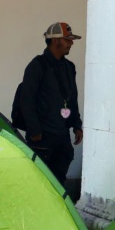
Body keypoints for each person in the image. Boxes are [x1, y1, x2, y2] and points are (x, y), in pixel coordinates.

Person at [17, 22, 84, 186]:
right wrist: (34, 129)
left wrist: (77, 125)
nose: (71, 43)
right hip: (42, 137)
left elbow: (72, 98)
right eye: (67, 39)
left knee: (58, 181)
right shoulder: (36, 66)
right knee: (39, 182)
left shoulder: (69, 67)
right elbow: (26, 100)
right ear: (55, 41)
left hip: (62, 135)